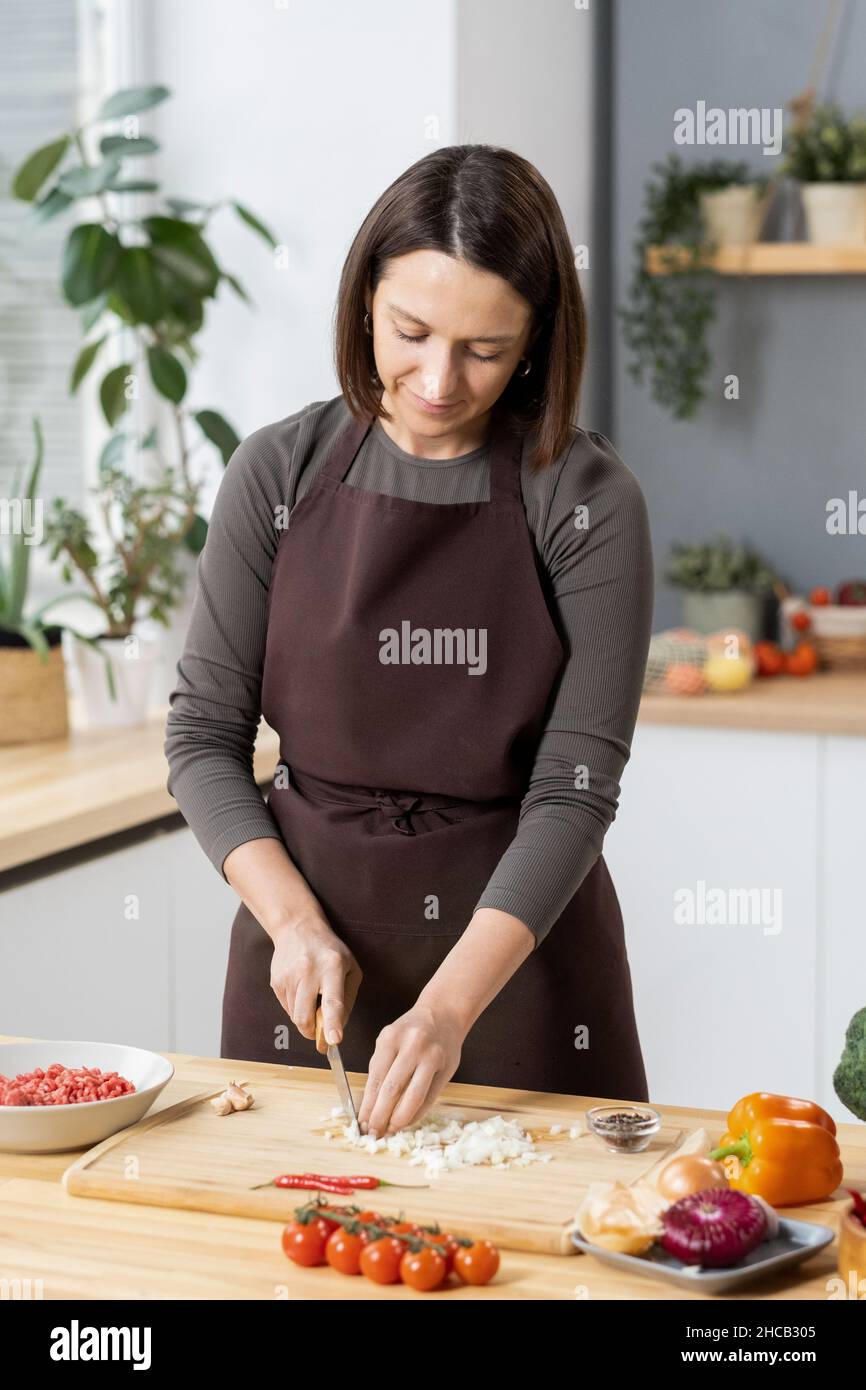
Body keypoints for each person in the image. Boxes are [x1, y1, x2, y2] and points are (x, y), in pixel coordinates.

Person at [164, 144, 654, 1140]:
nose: (437, 380)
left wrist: (447, 1006)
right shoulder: (276, 475)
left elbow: (574, 787)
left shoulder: (585, 501)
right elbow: (203, 738)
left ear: (535, 343)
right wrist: (292, 925)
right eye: (411, 331)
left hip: (515, 974)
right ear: (363, 302)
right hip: (302, 963)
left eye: (483, 348)